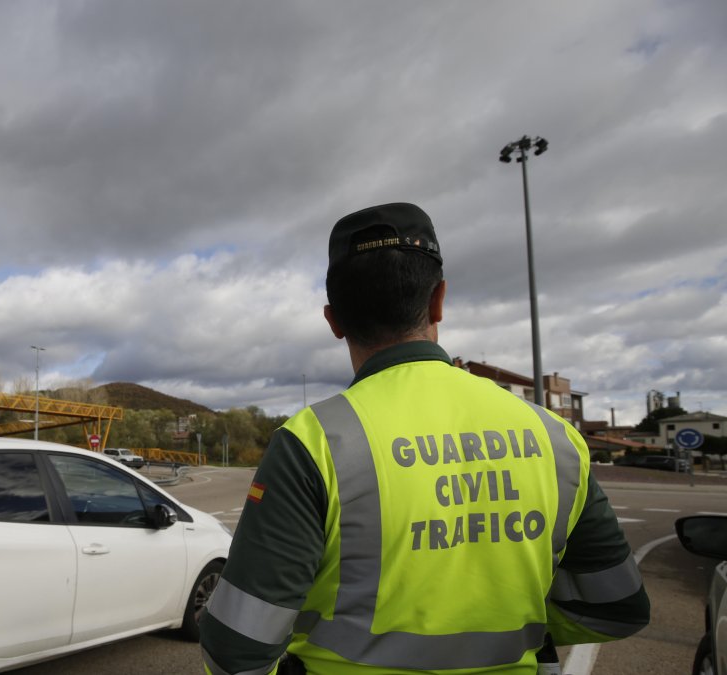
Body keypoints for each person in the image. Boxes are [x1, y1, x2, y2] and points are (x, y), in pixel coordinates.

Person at [198, 203, 649, 674]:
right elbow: (618, 608)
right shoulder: (555, 438)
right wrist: (526, 629)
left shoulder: (312, 443)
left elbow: (236, 649)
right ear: (438, 301)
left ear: (333, 321)